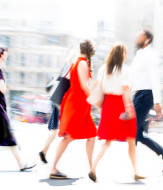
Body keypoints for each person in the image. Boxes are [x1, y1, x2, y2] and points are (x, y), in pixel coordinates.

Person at [89, 43, 144, 182]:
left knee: (107, 141)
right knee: (131, 139)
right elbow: (125, 90)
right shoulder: (125, 70)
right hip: (121, 104)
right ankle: (136, 171)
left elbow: (99, 90)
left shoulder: (104, 69)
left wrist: (102, 109)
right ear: (123, 55)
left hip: (108, 105)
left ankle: (93, 168)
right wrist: (128, 110)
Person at [49, 40, 97, 179]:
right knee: (69, 137)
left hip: (79, 104)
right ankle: (53, 168)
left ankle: (91, 168)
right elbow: (83, 85)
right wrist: (95, 100)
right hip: (77, 104)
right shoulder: (82, 62)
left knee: (91, 134)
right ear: (90, 50)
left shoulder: (78, 62)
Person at [0, 47, 35, 171]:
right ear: (0, 55)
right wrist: (3, 86)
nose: (6, 56)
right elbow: (3, 88)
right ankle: (21, 164)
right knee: (6, 133)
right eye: (5, 54)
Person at [131, 30, 163, 171]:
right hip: (138, 94)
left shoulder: (150, 54)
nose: (137, 37)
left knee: (132, 130)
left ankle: (133, 169)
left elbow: (154, 78)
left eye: (139, 35)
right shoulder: (138, 54)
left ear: (147, 39)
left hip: (146, 95)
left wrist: (158, 101)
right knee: (139, 134)